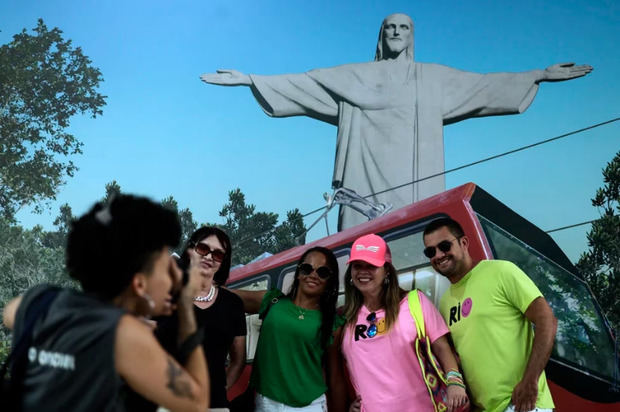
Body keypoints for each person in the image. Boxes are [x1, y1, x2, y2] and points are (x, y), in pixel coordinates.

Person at [200, 13, 592, 230]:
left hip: (412, 176)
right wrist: (252, 79)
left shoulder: (430, 78)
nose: (396, 33)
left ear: (412, 36)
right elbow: (307, 85)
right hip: (363, 177)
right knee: (360, 240)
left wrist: (537, 74)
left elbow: (480, 86)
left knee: (411, 239)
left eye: (403, 28)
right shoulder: (354, 77)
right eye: (389, 27)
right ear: (381, 35)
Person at [2, 194, 209, 412]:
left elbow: (10, 313)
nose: (175, 277)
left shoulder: (39, 301)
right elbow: (196, 404)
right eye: (168, 268)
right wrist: (186, 308)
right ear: (139, 285)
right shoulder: (123, 333)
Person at [422, 217, 558, 412]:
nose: (438, 255)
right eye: (430, 251)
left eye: (444, 246)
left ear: (464, 243)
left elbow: (547, 321)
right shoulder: (444, 303)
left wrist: (530, 381)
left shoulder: (501, 271)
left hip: (523, 405)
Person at [340, 233, 468, 412]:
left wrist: (455, 381)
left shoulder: (414, 302)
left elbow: (442, 347)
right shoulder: (345, 318)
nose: (363, 272)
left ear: (386, 271)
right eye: (357, 266)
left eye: (371, 266)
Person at [231, 246, 343, 411]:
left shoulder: (331, 322)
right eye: (307, 268)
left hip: (310, 406)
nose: (313, 275)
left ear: (329, 282)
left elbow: (335, 378)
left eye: (323, 272)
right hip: (266, 403)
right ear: (298, 273)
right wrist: (196, 284)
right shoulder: (271, 301)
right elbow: (226, 298)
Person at [172, 226, 247, 409]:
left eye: (218, 254)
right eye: (203, 249)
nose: (208, 257)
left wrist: (219, 390)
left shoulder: (233, 304)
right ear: (191, 250)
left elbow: (238, 360)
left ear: (223, 262)